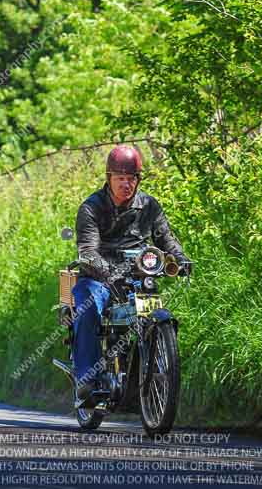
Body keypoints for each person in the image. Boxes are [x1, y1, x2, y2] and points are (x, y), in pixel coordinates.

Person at [72, 144, 191, 399]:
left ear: (138, 179)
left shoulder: (149, 205)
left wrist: (181, 259)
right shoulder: (91, 207)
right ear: (109, 178)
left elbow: (165, 239)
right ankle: (87, 379)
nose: (126, 184)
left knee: (155, 316)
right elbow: (88, 251)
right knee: (88, 307)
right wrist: (107, 274)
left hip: (139, 275)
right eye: (120, 178)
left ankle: (151, 371)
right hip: (98, 277)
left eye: (131, 178)